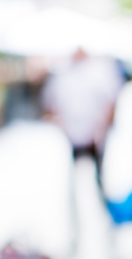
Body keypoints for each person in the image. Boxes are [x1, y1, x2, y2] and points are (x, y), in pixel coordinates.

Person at [42, 47, 125, 189]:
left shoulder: (100, 73)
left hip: (95, 136)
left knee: (98, 177)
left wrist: (101, 129)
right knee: (72, 177)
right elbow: (49, 105)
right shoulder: (62, 75)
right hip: (70, 135)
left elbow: (112, 102)